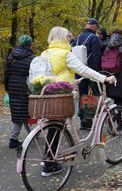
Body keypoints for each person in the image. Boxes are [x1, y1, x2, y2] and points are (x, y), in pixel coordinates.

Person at [35, 26, 116, 177]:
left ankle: (48, 158)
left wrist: (73, 82)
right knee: (58, 126)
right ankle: (49, 165)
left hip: (47, 95)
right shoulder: (66, 54)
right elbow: (84, 69)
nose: (70, 38)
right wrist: (104, 78)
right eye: (68, 36)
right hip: (62, 95)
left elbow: (51, 74)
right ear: (63, 38)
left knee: (54, 127)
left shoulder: (45, 53)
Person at [4, 35, 35, 149]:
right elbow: (33, 75)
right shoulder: (31, 57)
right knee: (24, 112)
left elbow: (7, 74)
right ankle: (14, 139)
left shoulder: (12, 56)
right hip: (24, 86)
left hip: (12, 86)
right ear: (30, 44)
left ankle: (29, 134)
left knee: (18, 112)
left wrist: (7, 88)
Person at [72, 18, 102, 130]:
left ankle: (83, 120)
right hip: (90, 70)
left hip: (79, 71)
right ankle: (87, 119)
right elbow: (96, 56)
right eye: (97, 28)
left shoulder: (78, 37)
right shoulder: (94, 38)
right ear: (94, 26)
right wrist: (97, 73)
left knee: (83, 94)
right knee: (91, 95)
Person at [105, 29, 122, 111]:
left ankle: (118, 121)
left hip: (110, 75)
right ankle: (116, 117)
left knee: (115, 99)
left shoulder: (107, 47)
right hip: (121, 75)